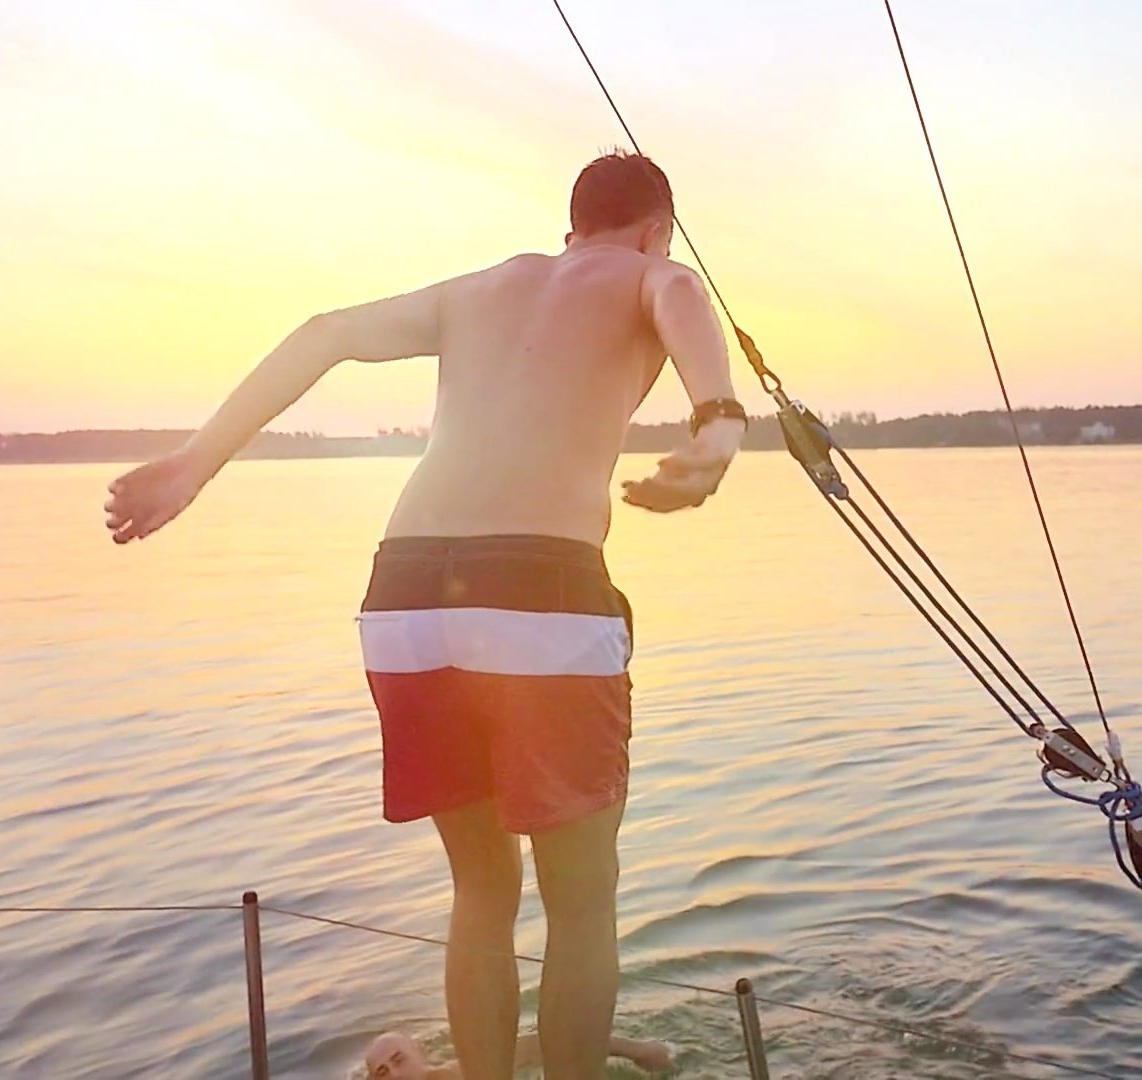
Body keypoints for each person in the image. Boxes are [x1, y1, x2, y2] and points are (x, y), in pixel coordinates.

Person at [104, 150, 746, 1079]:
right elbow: (682, 300)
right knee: (581, 901)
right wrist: (717, 426)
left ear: (570, 227)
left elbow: (326, 330)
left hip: (404, 595)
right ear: (657, 225)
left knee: (482, 886)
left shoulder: (481, 287)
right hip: (541, 594)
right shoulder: (656, 271)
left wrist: (192, 464)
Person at [362, 1029, 674, 1079]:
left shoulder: (464, 1072)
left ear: (422, 1053)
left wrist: (635, 1050)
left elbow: (553, 1042)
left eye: (398, 1060)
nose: (395, 1075)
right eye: (382, 1073)